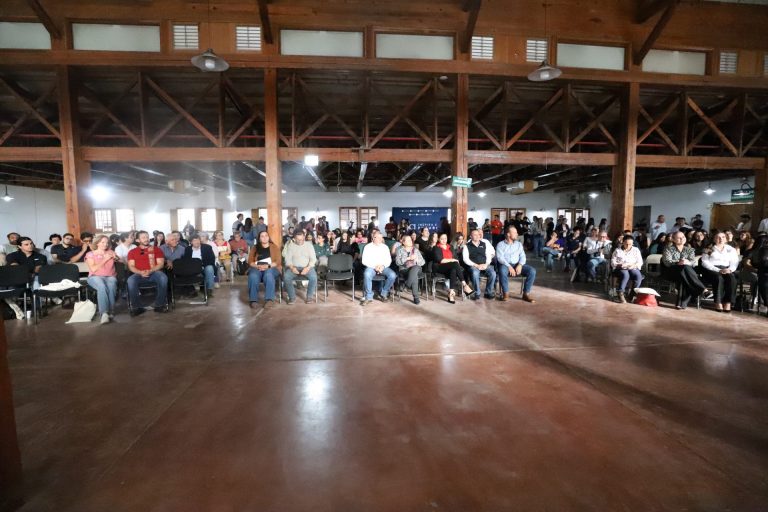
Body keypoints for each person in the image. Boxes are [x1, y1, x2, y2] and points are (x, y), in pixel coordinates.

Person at [126, 231, 168, 316]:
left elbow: (160, 264)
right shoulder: (132, 252)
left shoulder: (156, 249)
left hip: (154, 272)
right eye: (143, 237)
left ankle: (159, 305)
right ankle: (137, 307)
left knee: (163, 278)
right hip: (139, 274)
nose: (146, 239)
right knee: (130, 280)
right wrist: (140, 272)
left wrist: (150, 270)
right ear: (137, 240)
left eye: (147, 237)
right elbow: (131, 266)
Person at [662, 231, 706, 310]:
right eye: (679, 238)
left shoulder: (690, 249)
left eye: (683, 237)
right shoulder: (668, 249)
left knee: (683, 274)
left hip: (685, 272)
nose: (682, 239)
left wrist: (686, 262)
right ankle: (702, 289)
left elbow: (692, 262)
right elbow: (667, 262)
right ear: (673, 240)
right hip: (672, 271)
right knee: (684, 269)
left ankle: (680, 304)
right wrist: (678, 262)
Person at [495, 226, 536, 303]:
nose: (517, 234)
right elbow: (500, 258)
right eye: (515, 232)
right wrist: (509, 266)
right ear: (508, 234)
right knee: (502, 270)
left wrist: (520, 265)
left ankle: (526, 294)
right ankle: (506, 294)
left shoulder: (519, 244)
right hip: (505, 265)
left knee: (532, 271)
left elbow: (523, 256)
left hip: (517, 264)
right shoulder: (500, 244)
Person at [700, 232, 739, 312]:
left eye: (723, 237)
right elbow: (705, 262)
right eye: (718, 237)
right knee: (718, 278)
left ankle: (728, 302)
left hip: (727, 268)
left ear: (726, 239)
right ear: (714, 239)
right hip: (712, 269)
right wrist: (718, 270)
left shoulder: (731, 249)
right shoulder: (709, 248)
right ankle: (718, 302)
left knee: (732, 278)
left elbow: (735, 262)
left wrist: (730, 269)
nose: (721, 239)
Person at [85, 235, 118, 324]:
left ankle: (111, 310)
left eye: (107, 242)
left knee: (111, 285)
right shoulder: (90, 254)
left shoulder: (110, 251)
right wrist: (105, 259)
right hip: (95, 276)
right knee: (102, 286)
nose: (105, 244)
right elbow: (93, 269)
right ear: (97, 243)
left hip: (110, 276)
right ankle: (104, 313)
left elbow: (119, 260)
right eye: (102, 242)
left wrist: (116, 257)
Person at [432, 233, 473, 304]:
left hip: (451, 267)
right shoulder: (436, 248)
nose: (444, 240)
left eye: (445, 238)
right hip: (439, 267)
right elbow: (440, 260)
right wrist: (452, 260)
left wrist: (454, 260)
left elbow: (456, 258)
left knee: (453, 270)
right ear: (438, 239)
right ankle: (465, 285)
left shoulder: (450, 247)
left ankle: (451, 293)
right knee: (455, 263)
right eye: (442, 239)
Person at [360, 231, 397, 305]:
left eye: (381, 237)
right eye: (378, 237)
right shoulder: (367, 247)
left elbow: (388, 260)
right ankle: (368, 297)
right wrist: (375, 267)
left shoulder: (385, 247)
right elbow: (364, 261)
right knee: (367, 274)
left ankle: (384, 293)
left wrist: (382, 266)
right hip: (371, 267)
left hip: (383, 267)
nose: (380, 239)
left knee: (393, 275)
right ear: (373, 238)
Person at [247, 230, 281, 309]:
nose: (264, 238)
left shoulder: (274, 247)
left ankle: (269, 300)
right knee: (253, 276)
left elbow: (278, 261)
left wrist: (267, 266)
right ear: (259, 238)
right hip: (257, 267)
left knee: (268, 274)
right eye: (262, 236)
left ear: (268, 237)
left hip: (271, 267)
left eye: (266, 236)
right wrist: (257, 266)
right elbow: (250, 261)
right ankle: (253, 300)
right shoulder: (255, 248)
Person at [282, 230, 317, 304]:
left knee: (314, 277)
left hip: (307, 267)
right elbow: (287, 260)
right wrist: (292, 268)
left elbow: (313, 259)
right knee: (286, 277)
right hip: (294, 267)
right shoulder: (291, 246)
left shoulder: (309, 245)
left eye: (302, 239)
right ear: (294, 238)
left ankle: (309, 297)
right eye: (298, 239)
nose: (300, 241)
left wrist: (307, 268)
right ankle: (292, 297)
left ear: (304, 237)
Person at [462, 229, 496, 300]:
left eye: (478, 234)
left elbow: (488, 255)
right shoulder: (467, 246)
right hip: (473, 266)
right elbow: (465, 259)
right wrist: (476, 265)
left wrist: (486, 264)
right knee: (475, 273)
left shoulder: (484, 244)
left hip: (484, 264)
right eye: (475, 235)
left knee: (493, 273)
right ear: (471, 236)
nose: (477, 236)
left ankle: (488, 293)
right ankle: (477, 293)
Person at [611, 235, 643, 304]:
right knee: (625, 274)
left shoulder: (636, 250)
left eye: (630, 244)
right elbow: (613, 262)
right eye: (626, 244)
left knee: (638, 276)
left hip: (632, 267)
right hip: (620, 268)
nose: (628, 246)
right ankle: (620, 292)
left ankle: (632, 294)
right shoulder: (617, 250)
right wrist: (619, 265)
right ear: (623, 242)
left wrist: (633, 265)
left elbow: (640, 262)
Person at [395, 233, 425, 304]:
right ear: (403, 242)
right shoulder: (399, 250)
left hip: (417, 268)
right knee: (414, 275)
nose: (410, 241)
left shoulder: (416, 250)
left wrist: (416, 260)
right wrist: (408, 258)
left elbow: (423, 262)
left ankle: (407, 284)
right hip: (405, 269)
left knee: (415, 268)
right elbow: (397, 262)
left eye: (410, 240)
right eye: (408, 240)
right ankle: (416, 297)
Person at [750, 236, 768, 316]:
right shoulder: (760, 251)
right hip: (763, 273)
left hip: (763, 272)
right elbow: (757, 263)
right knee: (764, 284)